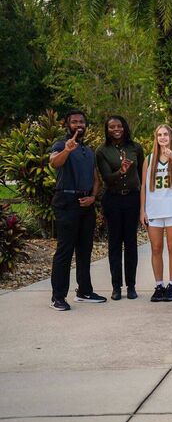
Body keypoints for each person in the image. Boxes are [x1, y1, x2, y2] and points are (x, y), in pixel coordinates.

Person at [49, 110, 106, 310]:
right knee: (65, 250)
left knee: (85, 250)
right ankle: (58, 297)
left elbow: (95, 179)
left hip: (86, 204)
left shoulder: (88, 151)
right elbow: (54, 162)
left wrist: (92, 197)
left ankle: (84, 291)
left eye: (81, 122)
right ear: (67, 125)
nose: (78, 124)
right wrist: (67, 150)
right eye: (74, 122)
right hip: (66, 201)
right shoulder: (60, 144)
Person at [96, 115, 145, 300]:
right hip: (113, 200)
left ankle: (131, 286)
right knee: (114, 244)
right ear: (107, 130)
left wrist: (143, 202)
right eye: (111, 127)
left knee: (131, 243)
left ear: (124, 127)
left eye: (119, 126)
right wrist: (120, 172)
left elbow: (142, 175)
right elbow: (106, 178)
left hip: (132, 199)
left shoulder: (135, 148)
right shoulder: (102, 151)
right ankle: (116, 287)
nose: (116, 129)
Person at [140, 124, 172, 302]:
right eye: (159, 135)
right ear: (156, 138)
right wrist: (142, 210)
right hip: (154, 209)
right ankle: (159, 285)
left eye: (165, 134)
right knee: (156, 248)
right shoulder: (149, 158)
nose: (162, 137)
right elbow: (143, 186)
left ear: (171, 137)